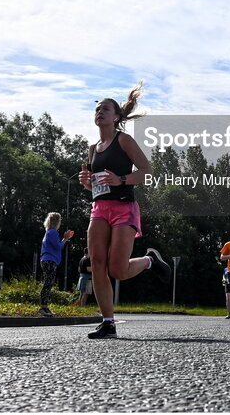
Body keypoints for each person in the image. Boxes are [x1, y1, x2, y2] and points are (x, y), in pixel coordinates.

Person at [78, 84, 171, 339]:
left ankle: (150, 260)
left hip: (124, 208)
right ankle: (108, 322)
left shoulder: (124, 140)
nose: (100, 112)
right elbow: (96, 185)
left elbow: (147, 171)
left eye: (105, 108)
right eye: (97, 109)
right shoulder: (92, 148)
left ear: (116, 116)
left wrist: (120, 179)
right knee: (96, 263)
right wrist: (88, 183)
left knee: (117, 270)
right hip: (99, 208)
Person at [39, 212, 75, 317]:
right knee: (48, 283)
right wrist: (65, 238)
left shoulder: (48, 232)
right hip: (50, 260)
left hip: (46, 259)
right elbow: (59, 247)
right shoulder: (53, 232)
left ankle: (45, 307)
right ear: (57, 221)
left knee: (48, 283)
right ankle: (43, 307)